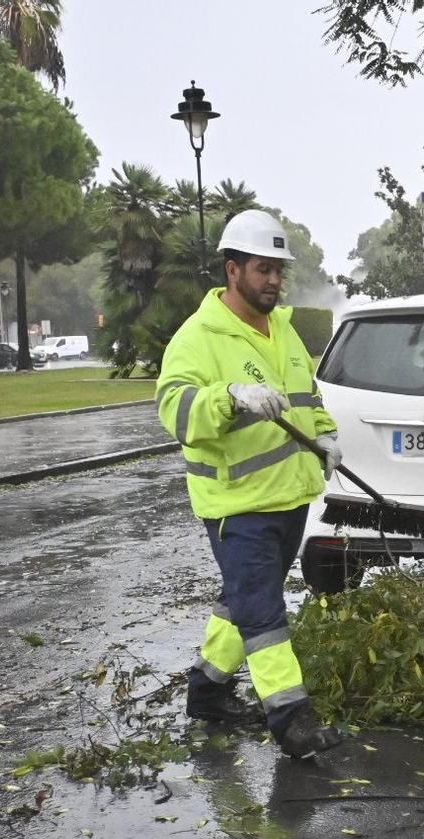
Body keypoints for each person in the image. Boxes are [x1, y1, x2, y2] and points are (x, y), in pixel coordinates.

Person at [154, 208, 343, 759]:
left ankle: (208, 690)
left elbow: (308, 400)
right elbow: (174, 409)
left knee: (241, 600)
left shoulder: (282, 330)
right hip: (236, 505)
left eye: (279, 271)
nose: (275, 282)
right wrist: (228, 397)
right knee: (262, 609)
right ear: (231, 269)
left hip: (290, 495)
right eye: (263, 269)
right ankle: (291, 718)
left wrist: (327, 437)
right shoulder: (199, 338)